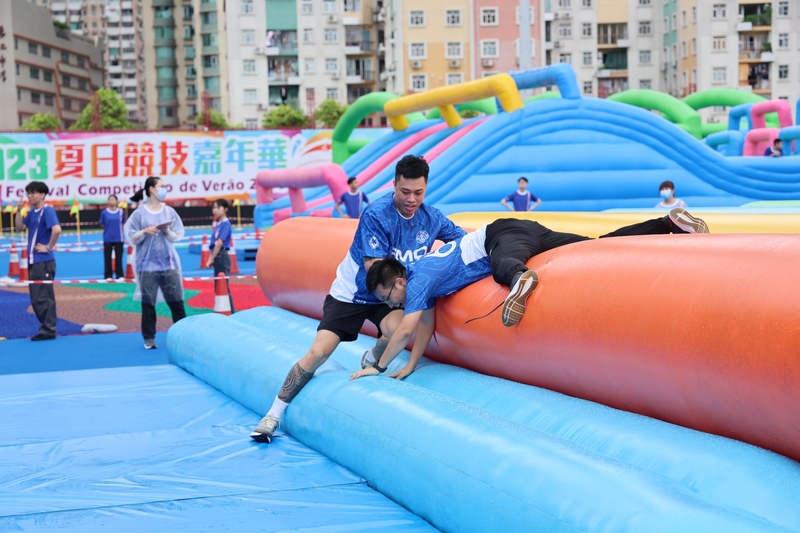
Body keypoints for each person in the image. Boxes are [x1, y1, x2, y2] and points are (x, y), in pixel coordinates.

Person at [250, 155, 466, 443]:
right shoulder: (377, 214)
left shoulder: (431, 218)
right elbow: (375, 271)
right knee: (319, 352)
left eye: (418, 192)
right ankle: (273, 414)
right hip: (354, 293)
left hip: (387, 297)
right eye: (405, 191)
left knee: (396, 330)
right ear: (394, 185)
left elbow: (463, 243)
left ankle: (373, 356)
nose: (412, 199)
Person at [349, 208, 710, 381]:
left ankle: (519, 280)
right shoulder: (422, 280)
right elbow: (425, 324)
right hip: (523, 229)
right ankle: (669, 223)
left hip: (500, 236)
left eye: (388, 297)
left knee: (503, 265)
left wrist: (377, 367)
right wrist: (410, 365)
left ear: (398, 282)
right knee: (596, 246)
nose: (390, 304)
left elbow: (406, 328)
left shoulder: (418, 280)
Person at [125, 176, 187, 350]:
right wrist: (144, 231)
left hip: (169, 264)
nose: (164, 189)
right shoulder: (139, 213)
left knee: (176, 302)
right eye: (162, 186)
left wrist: (166, 231)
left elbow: (178, 234)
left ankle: (184, 336)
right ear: (152, 189)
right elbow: (131, 236)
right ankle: (149, 338)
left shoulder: (169, 212)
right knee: (148, 303)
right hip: (146, 265)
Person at [14, 182, 62, 341]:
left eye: (33, 193)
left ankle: (48, 329)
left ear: (42, 194)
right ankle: (46, 328)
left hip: (44, 261)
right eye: (29, 193)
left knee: (44, 297)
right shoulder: (33, 212)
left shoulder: (47, 210)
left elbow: (57, 229)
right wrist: (19, 210)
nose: (30, 196)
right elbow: (19, 227)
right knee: (36, 298)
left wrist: (48, 247)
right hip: (34, 260)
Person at [206, 198, 235, 313]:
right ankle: (226, 311)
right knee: (219, 286)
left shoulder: (225, 224)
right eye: (214, 208)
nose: (215, 210)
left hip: (221, 256)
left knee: (223, 286)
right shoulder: (219, 224)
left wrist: (210, 258)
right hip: (218, 256)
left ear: (225, 209)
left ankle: (230, 312)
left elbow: (219, 243)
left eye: (218, 207)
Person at [99, 194, 126, 280]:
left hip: (119, 238)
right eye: (110, 199)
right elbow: (102, 223)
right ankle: (108, 275)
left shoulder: (121, 212)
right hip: (108, 238)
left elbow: (123, 223)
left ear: (117, 201)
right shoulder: (104, 213)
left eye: (113, 199)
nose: (111, 201)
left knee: (119, 257)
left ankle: (119, 275)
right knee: (107, 257)